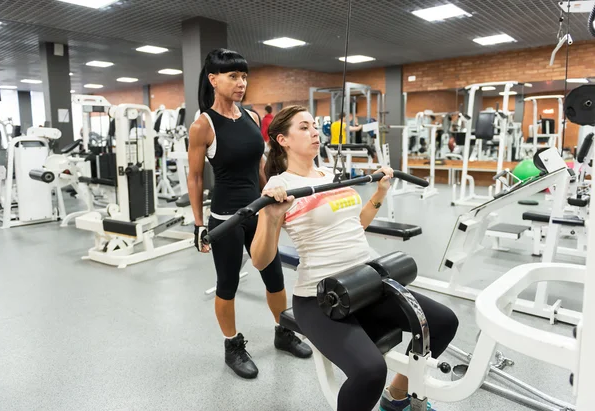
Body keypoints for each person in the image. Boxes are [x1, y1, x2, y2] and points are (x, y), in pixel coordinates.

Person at [250, 105, 459, 411]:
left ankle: (397, 394)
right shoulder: (278, 187)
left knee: (443, 322)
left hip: (365, 283)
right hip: (321, 297)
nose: (314, 133)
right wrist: (270, 217)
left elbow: (356, 226)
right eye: (304, 127)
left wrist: (379, 194)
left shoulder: (329, 175)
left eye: (314, 126)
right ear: (283, 140)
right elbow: (259, 259)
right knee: (369, 371)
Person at [187, 49, 312, 380]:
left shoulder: (252, 118)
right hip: (226, 219)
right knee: (226, 285)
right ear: (214, 79)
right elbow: (196, 177)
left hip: (258, 212)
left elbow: (259, 166)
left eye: (244, 76)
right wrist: (199, 224)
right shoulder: (203, 125)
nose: (241, 82)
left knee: (274, 278)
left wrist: (272, 198)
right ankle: (232, 345)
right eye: (233, 76)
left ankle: (283, 332)